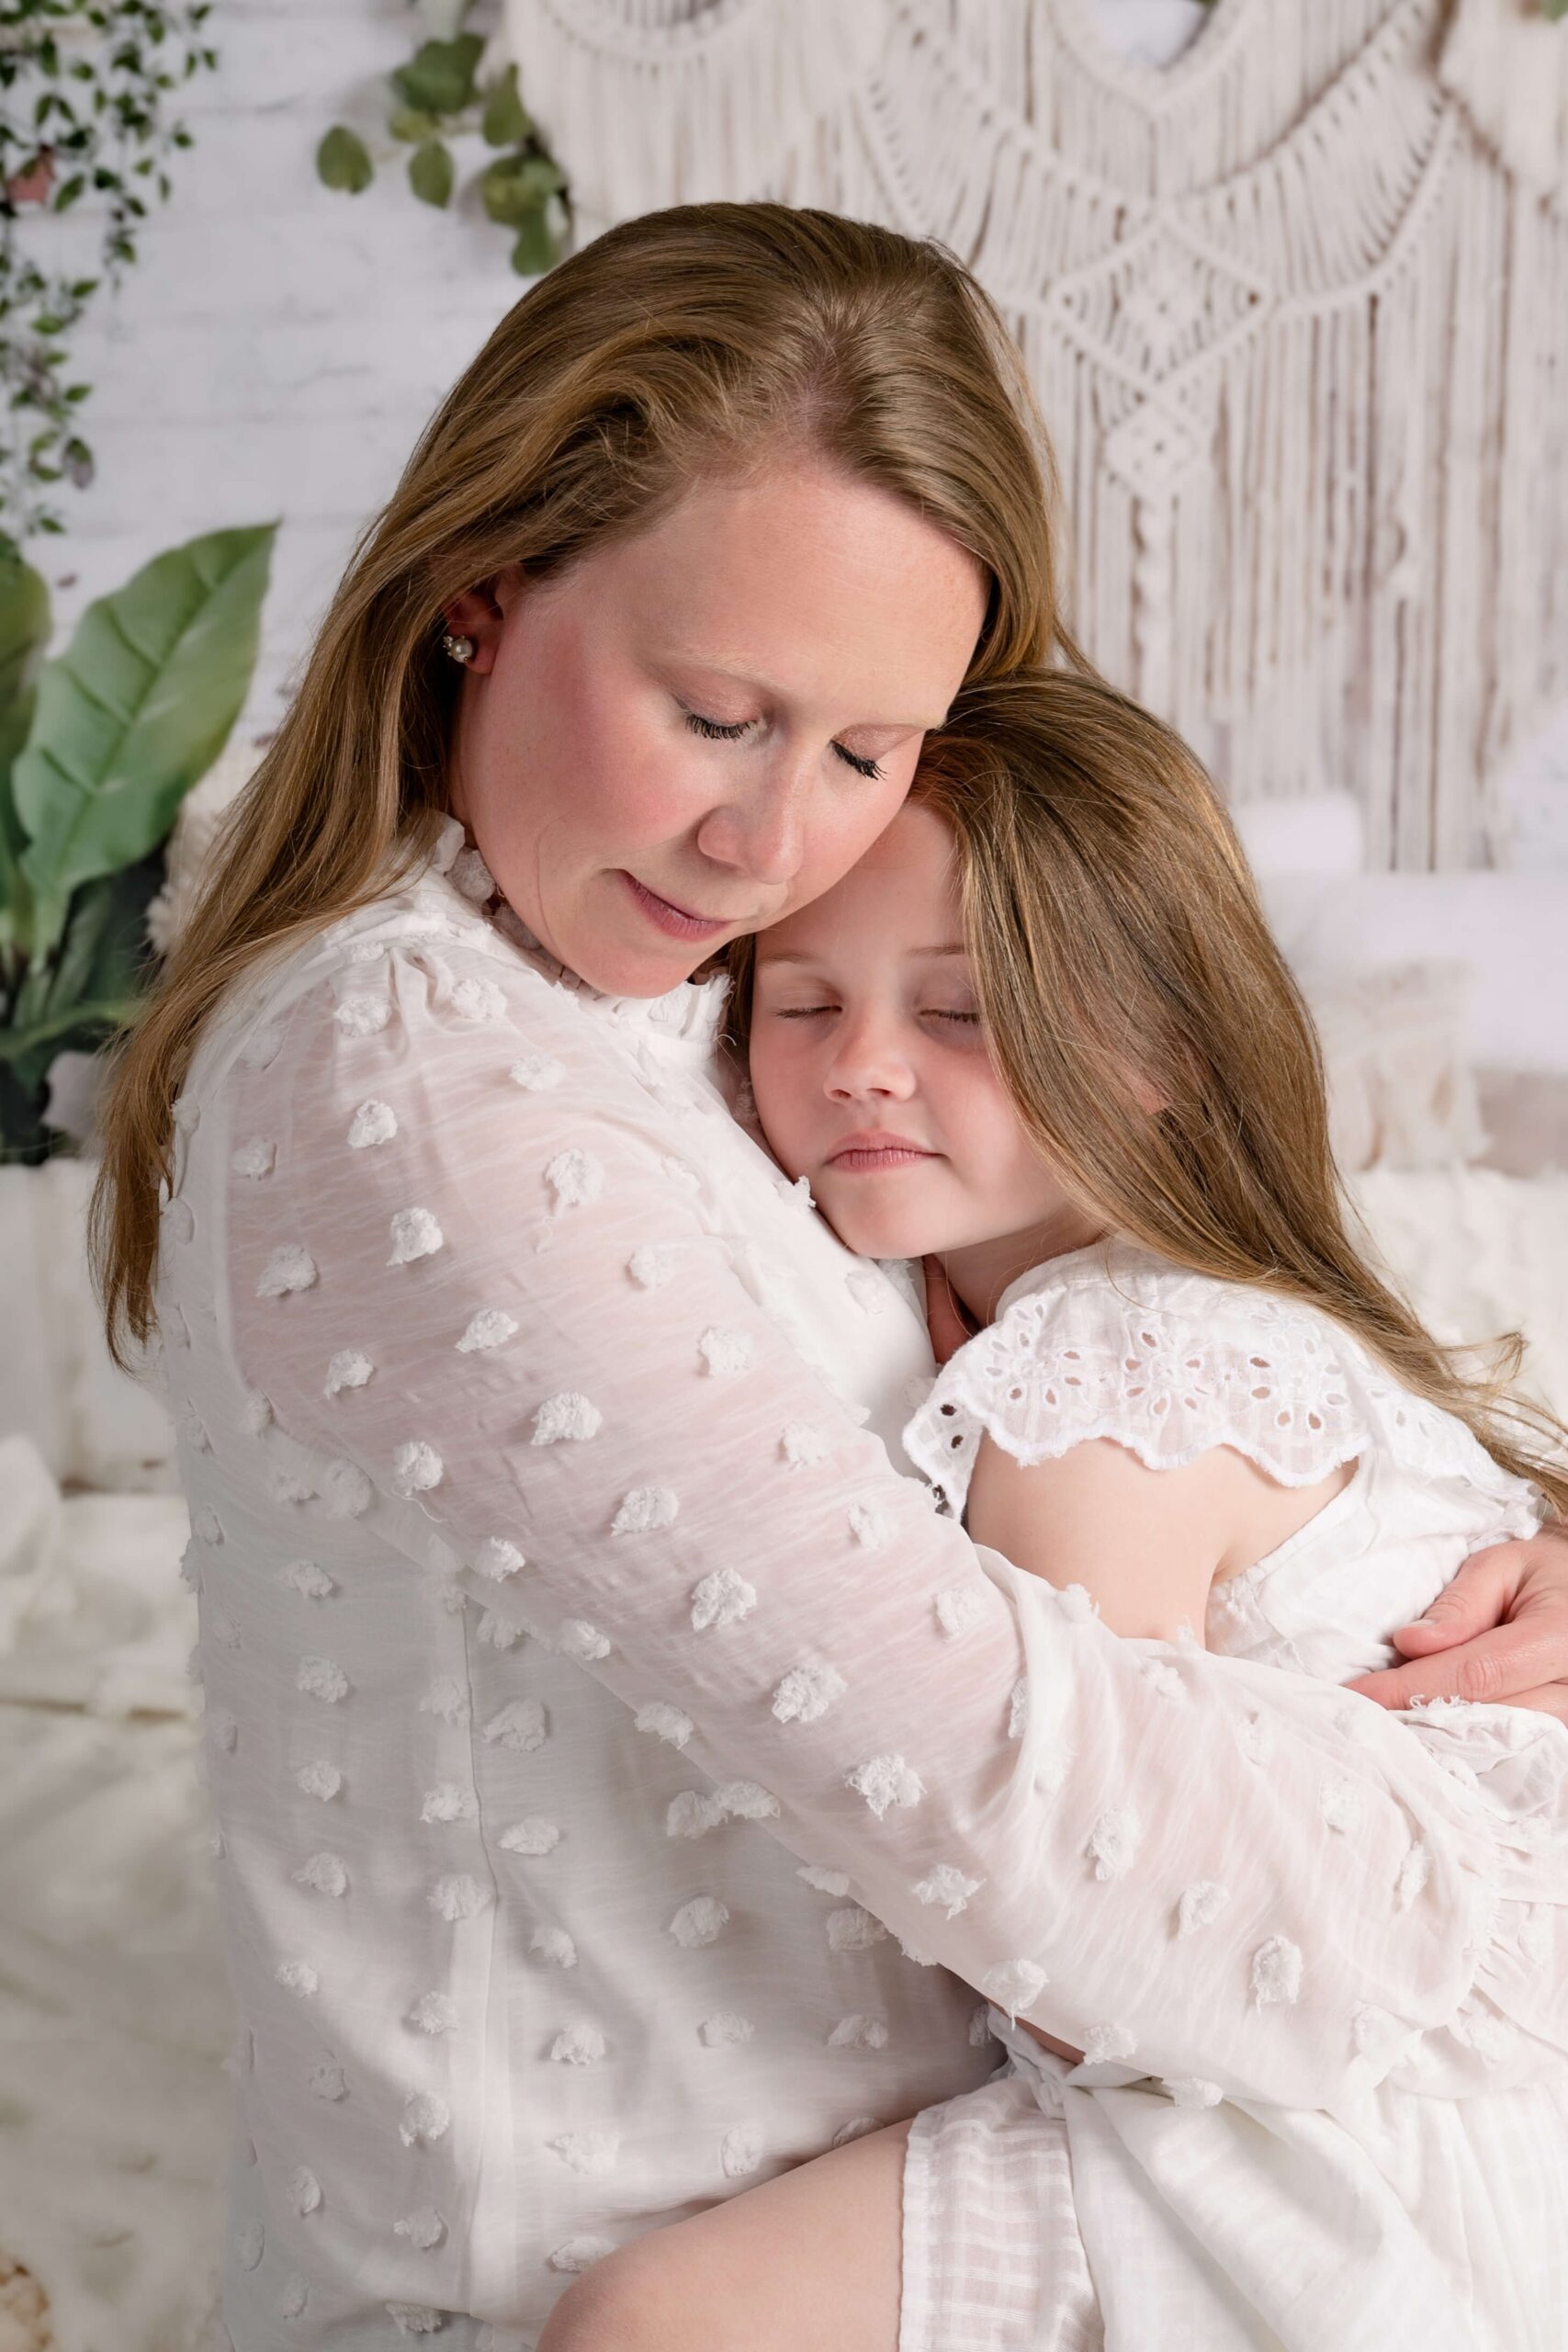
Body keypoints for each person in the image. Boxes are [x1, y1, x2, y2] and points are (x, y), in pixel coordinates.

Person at [91, 206, 1568, 2352]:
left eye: (866, 748)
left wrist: (1479, 1574)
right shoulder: (417, 1071)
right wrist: (1493, 1888)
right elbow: (985, 1767)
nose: (767, 843)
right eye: (714, 712)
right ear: (478, 598)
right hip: (605, 2289)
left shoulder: (675, 983)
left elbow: (1100, 1336)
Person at [570, 671, 1566, 2350]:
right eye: (803, 1006)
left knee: (654, 2323)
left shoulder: (1106, 1371)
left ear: (1163, 1049)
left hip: (1383, 2085)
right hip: (1399, 2013)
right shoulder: (1148, 1310)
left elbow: (1080, 1893)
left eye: (957, 1013)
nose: (866, 1068)